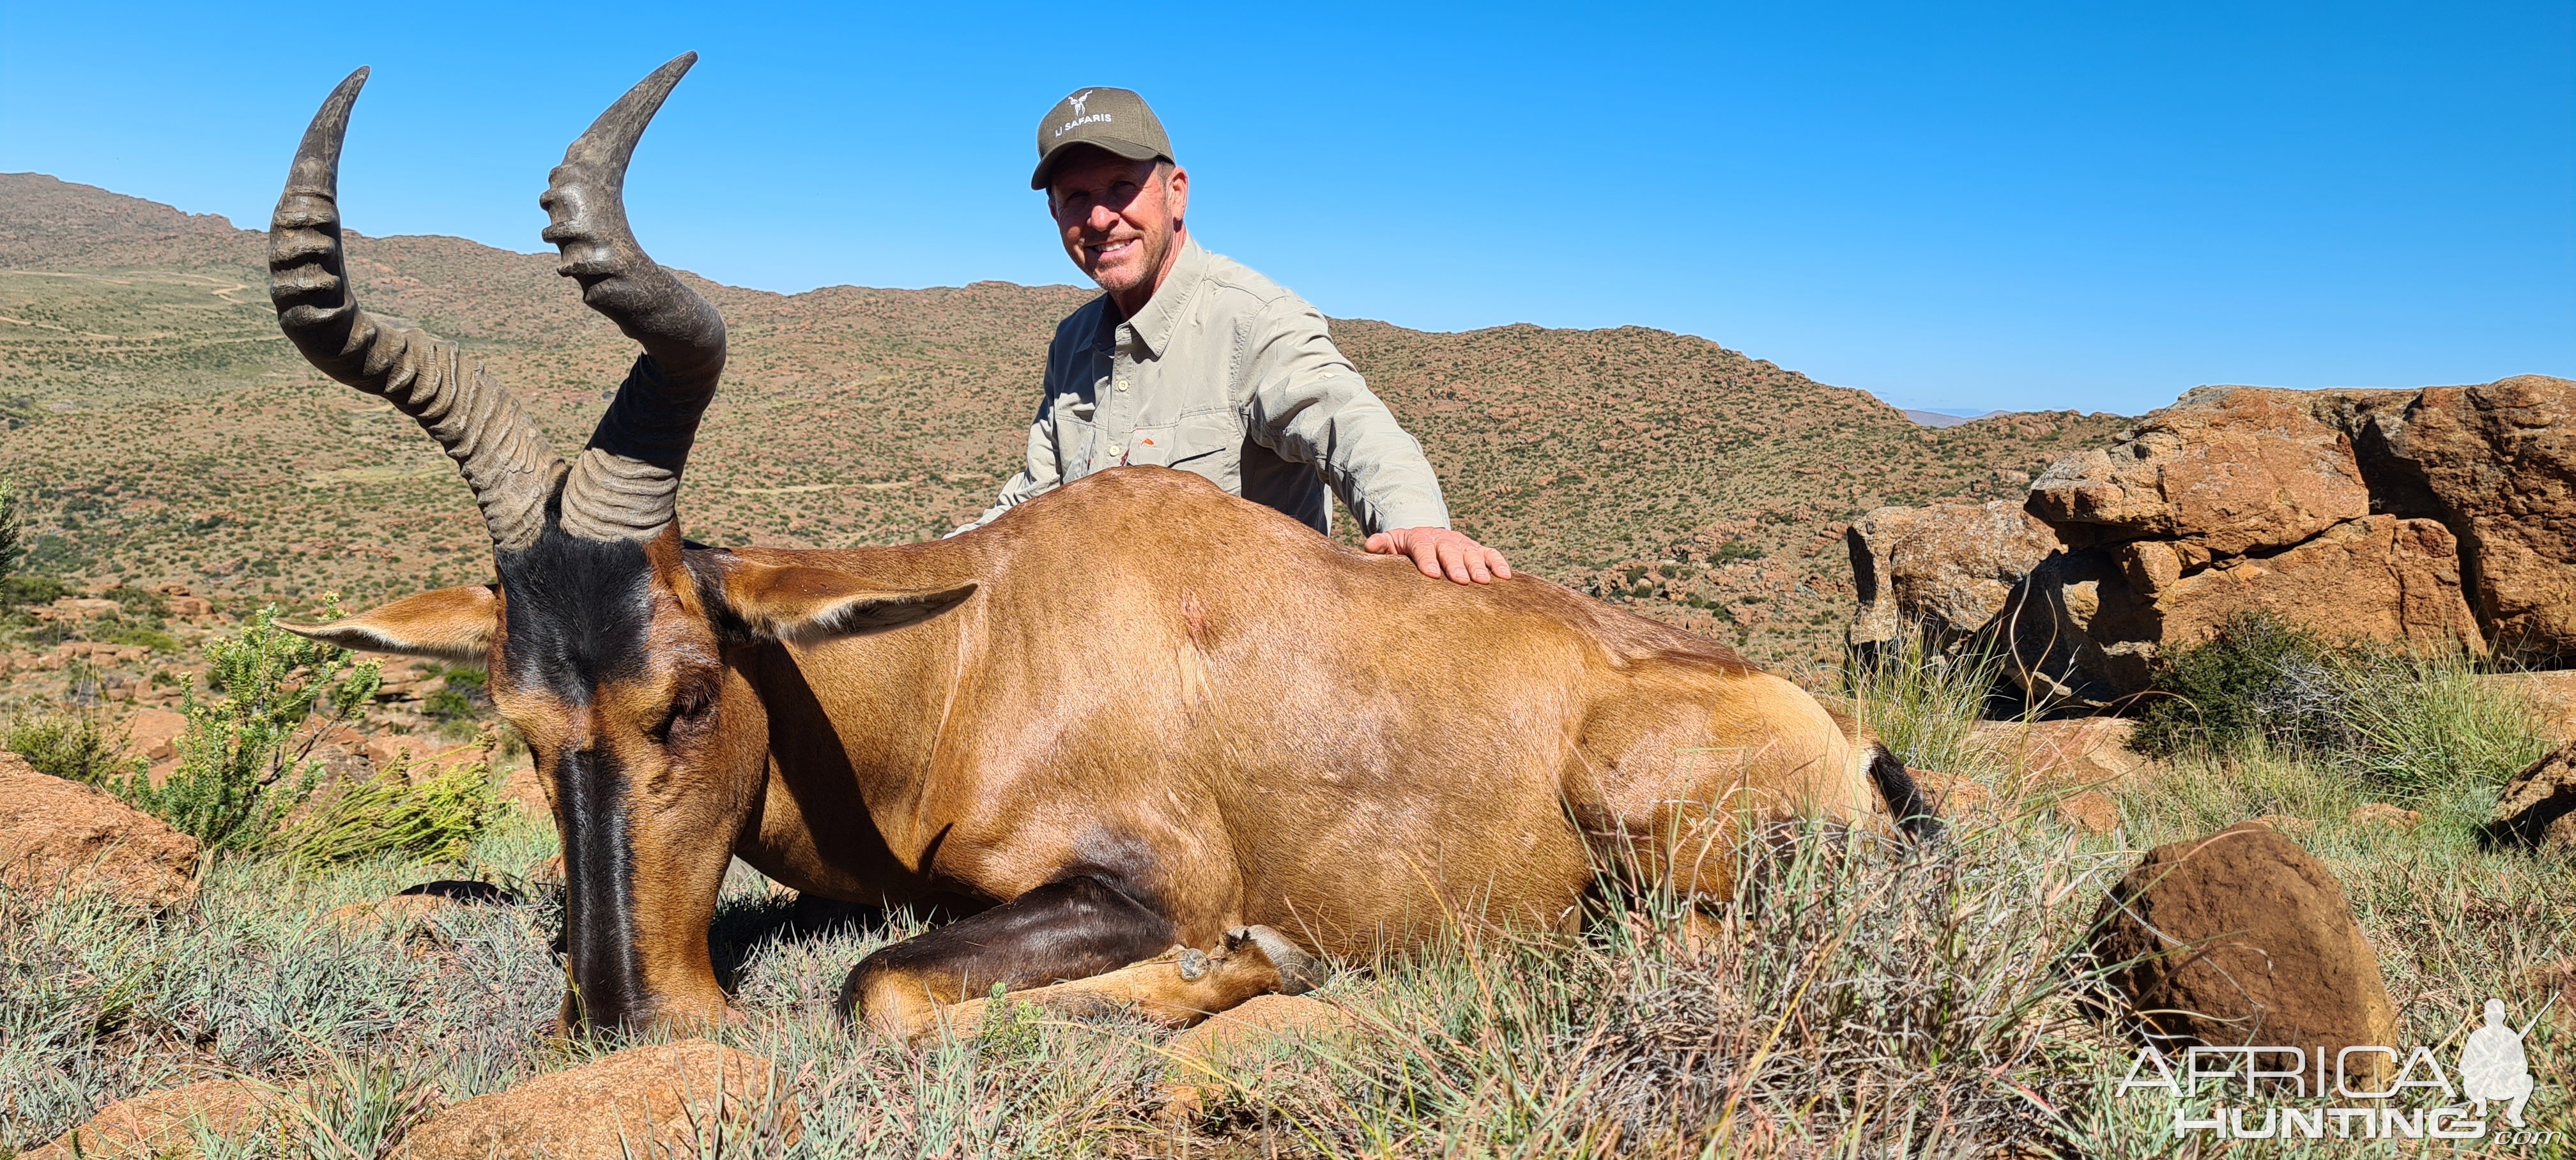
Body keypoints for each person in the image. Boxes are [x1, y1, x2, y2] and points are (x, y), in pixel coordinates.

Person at [956, 86, 1511, 585]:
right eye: (1076, 197)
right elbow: (1037, 496)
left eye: (1122, 187)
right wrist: (926, 566)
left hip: (1245, 669)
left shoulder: (1254, 320)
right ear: (1054, 213)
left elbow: (1351, 425)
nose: (1100, 218)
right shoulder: (1072, 342)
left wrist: (1418, 526)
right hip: (1112, 660)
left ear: (1176, 193)